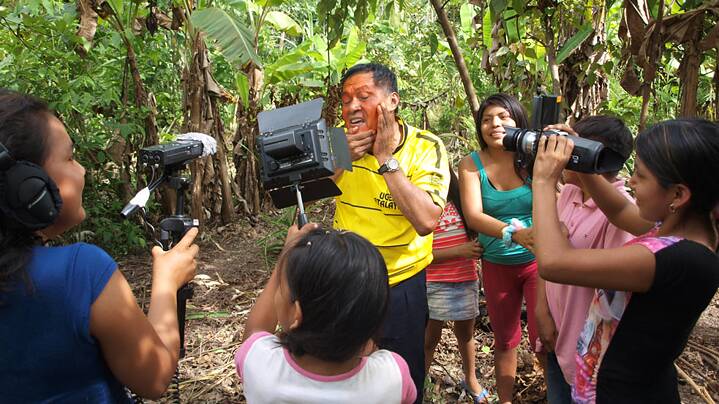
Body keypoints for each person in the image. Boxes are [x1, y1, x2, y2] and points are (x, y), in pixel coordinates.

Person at [0, 89, 199, 402]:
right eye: (69, 157)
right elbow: (156, 378)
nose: (82, 169)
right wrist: (166, 283)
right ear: (25, 186)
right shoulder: (79, 273)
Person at [532, 119, 719, 403]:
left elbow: (553, 262)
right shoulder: (676, 230)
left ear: (678, 195)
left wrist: (543, 180)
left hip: (622, 394)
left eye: (641, 177)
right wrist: (579, 156)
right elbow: (619, 209)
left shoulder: (676, 260)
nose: (630, 182)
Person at [332, 63, 450, 402]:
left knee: (403, 371)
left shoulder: (426, 147)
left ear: (393, 101)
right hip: (348, 277)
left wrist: (385, 158)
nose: (352, 107)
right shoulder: (339, 140)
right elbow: (307, 192)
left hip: (402, 281)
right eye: (346, 100)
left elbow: (426, 220)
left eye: (364, 97)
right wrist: (341, 161)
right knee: (346, 367)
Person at [238, 224, 416, 404]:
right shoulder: (392, 377)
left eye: (280, 288)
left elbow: (254, 333)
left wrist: (286, 252)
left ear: (296, 315)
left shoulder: (263, 369)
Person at [533, 116, 635, 404]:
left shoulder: (623, 214)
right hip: (557, 332)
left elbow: (611, 301)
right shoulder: (568, 193)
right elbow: (546, 250)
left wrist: (544, 178)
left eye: (570, 148)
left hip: (589, 354)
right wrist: (542, 310)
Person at [458, 93, 539, 404]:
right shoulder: (471, 164)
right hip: (497, 263)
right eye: (488, 119)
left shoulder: (531, 158)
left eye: (504, 117)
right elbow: (474, 216)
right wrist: (513, 234)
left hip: (539, 263)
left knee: (544, 337)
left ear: (518, 121)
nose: (495, 124)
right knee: (505, 339)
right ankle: (505, 400)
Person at [423, 168, 488, 403]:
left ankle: (471, 379)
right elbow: (421, 254)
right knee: (431, 336)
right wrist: (459, 251)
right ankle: (421, 379)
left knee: (466, 334)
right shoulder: (423, 208)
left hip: (464, 278)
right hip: (433, 282)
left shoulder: (463, 204)